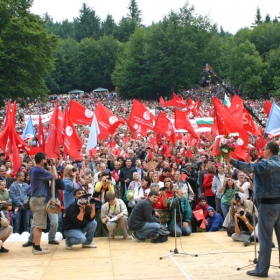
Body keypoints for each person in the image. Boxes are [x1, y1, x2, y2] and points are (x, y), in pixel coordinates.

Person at [225, 141, 280, 278]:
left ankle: (262, 270)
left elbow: (248, 167)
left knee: (265, 239)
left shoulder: (265, 164)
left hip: (267, 205)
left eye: (264, 149)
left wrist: (231, 160)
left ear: (268, 150)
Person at [28, 153, 57, 255]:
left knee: (37, 224)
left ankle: (37, 246)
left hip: (36, 199)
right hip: (39, 200)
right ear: (42, 160)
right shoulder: (39, 171)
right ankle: (36, 248)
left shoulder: (33, 170)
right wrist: (53, 166)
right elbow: (54, 176)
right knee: (39, 225)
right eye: (45, 160)